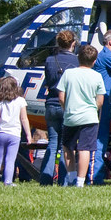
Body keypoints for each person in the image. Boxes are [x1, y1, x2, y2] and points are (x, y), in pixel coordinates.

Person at [57, 44, 105, 188]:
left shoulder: (68, 74)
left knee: (67, 147)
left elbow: (61, 96)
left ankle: (71, 176)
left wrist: (67, 108)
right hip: (89, 117)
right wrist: (93, 109)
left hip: (71, 116)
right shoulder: (97, 76)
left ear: (78, 57)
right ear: (94, 61)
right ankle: (80, 181)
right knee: (85, 149)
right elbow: (100, 100)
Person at [40, 29, 78, 186]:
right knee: (66, 145)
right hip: (67, 103)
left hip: (51, 102)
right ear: (73, 44)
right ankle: (63, 181)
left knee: (52, 143)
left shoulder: (49, 60)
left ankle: (45, 179)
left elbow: (48, 81)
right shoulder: (77, 62)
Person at [91, 29, 111, 185]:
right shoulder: (108, 57)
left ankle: (96, 174)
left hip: (104, 100)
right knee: (100, 138)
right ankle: (96, 176)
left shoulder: (102, 56)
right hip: (103, 100)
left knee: (101, 137)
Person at [0, 76, 31, 185]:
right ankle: (8, 181)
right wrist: (28, 135)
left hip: (1, 132)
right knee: (10, 160)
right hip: (15, 134)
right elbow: (24, 119)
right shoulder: (21, 101)